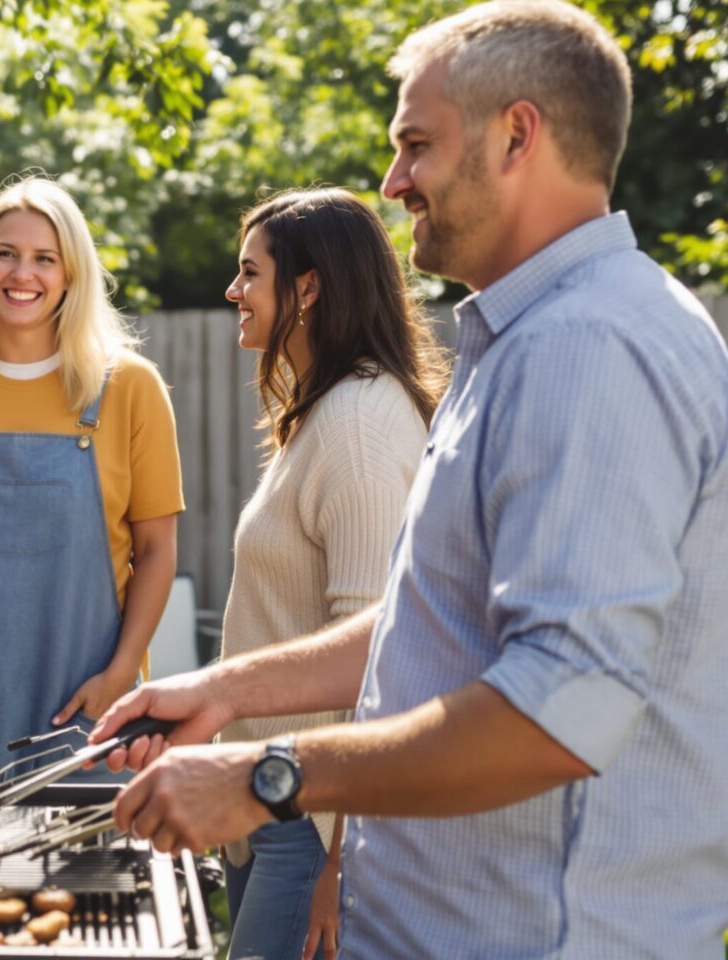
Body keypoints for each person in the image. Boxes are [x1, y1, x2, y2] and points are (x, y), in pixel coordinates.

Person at [96, 0, 728, 959]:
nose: (392, 179)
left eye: (416, 145)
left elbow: (556, 711)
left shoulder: (591, 348)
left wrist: (264, 775)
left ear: (516, 136)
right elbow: (428, 614)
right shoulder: (516, 340)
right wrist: (228, 690)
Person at [0, 176, 184, 782]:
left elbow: (156, 550)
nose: (23, 274)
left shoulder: (129, 388)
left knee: (93, 876)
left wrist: (121, 675)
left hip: (87, 713)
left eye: (46, 258)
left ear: (72, 273)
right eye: (5, 254)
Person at [213, 188, 444, 960]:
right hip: (271, 811)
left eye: (250, 273)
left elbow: (378, 663)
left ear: (307, 287)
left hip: (314, 831)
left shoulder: (360, 426)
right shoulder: (325, 411)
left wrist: (341, 866)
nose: (233, 291)